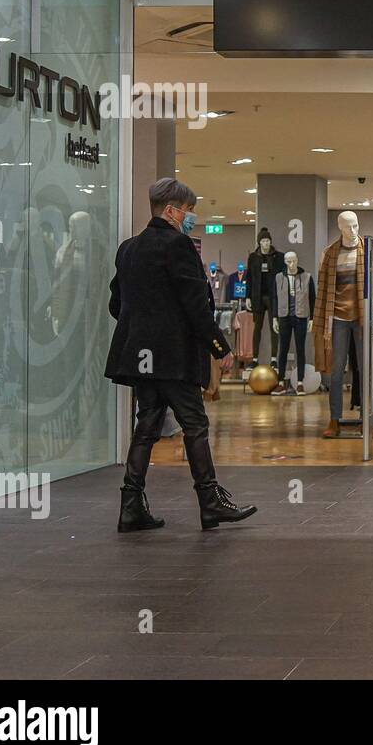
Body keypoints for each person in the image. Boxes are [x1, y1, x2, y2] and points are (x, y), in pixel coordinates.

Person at [105, 178, 257, 532]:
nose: (191, 217)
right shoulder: (179, 246)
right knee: (195, 425)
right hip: (173, 357)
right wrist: (219, 348)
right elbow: (195, 307)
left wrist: (144, 328)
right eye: (189, 210)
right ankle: (209, 502)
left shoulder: (128, 248)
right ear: (172, 211)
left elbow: (117, 304)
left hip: (140, 356)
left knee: (146, 426)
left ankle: (131, 504)